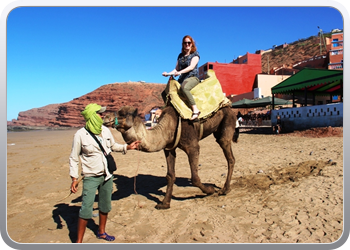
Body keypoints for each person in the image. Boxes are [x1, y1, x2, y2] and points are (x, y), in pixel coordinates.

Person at [69, 103, 140, 243]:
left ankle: (101, 232)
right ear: (91, 116)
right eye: (99, 113)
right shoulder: (80, 135)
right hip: (91, 176)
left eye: (102, 113)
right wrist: (74, 178)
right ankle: (78, 242)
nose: (102, 115)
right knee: (86, 209)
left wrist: (128, 147)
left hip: (107, 175)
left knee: (105, 205)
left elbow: (113, 146)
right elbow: (73, 157)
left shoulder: (106, 131)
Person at [162, 35, 201, 120]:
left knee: (184, 88)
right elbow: (176, 69)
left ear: (191, 44)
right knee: (165, 92)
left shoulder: (195, 54)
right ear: (182, 44)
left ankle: (195, 110)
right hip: (182, 78)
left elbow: (191, 67)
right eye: (185, 43)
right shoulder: (180, 56)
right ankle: (169, 111)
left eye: (189, 43)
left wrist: (179, 72)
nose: (187, 44)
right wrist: (168, 74)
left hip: (192, 77)